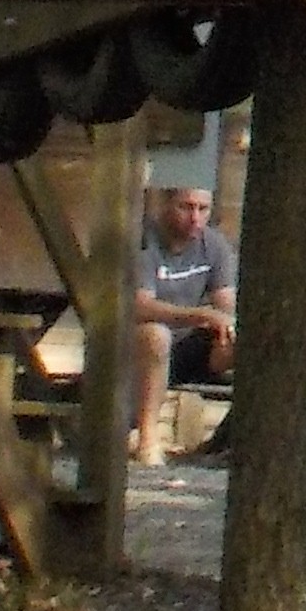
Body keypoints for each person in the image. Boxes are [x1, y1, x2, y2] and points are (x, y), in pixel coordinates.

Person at [128, 183, 236, 464]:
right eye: (186, 207)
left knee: (244, 338)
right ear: (165, 204)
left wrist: (226, 330)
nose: (195, 218)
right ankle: (148, 441)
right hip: (139, 349)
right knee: (156, 335)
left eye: (203, 209)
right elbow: (140, 306)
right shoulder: (144, 243)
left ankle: (227, 443)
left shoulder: (214, 244)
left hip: (191, 346)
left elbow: (225, 303)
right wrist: (202, 315)